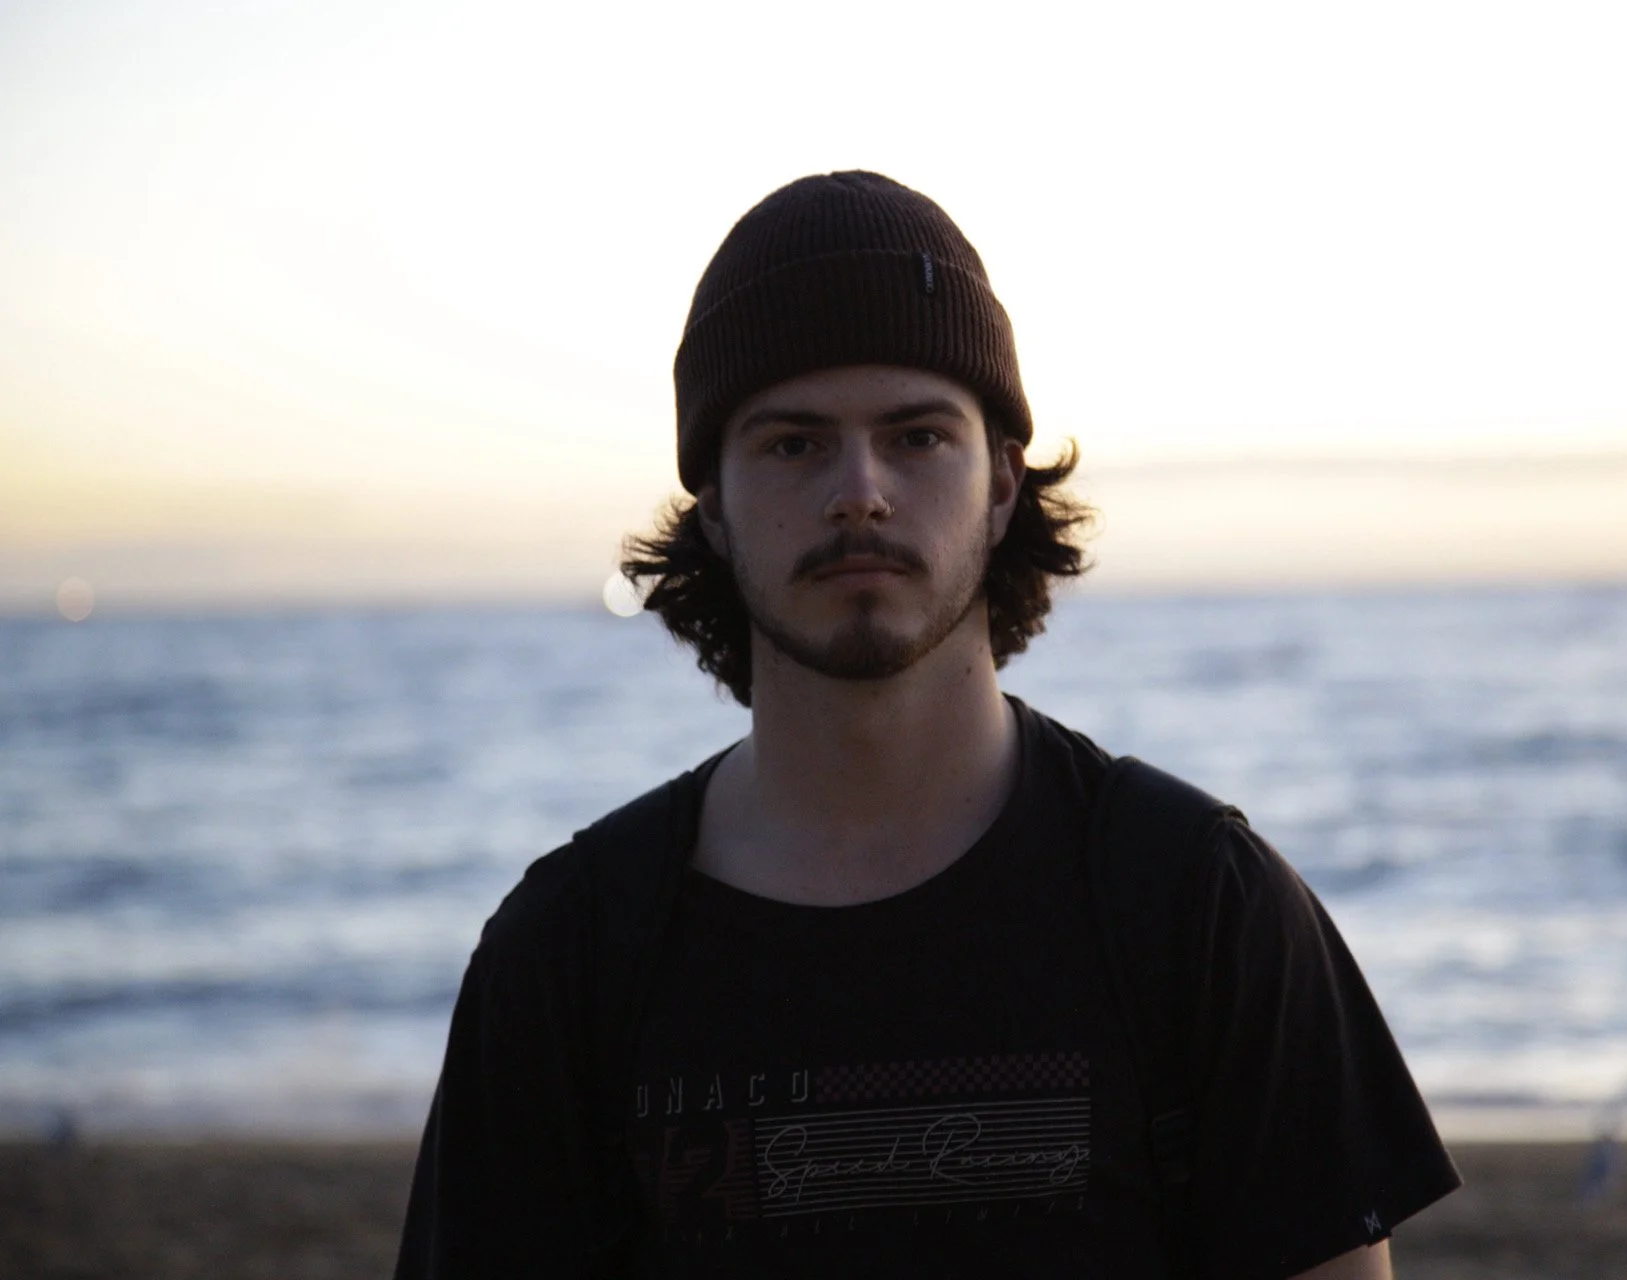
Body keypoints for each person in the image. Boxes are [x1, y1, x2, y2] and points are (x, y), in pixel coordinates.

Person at [395, 171, 1459, 1279]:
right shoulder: (571, 952)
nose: (859, 490)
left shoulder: (1199, 906)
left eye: (916, 435)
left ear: (1001, 484)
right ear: (711, 504)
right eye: (793, 443)